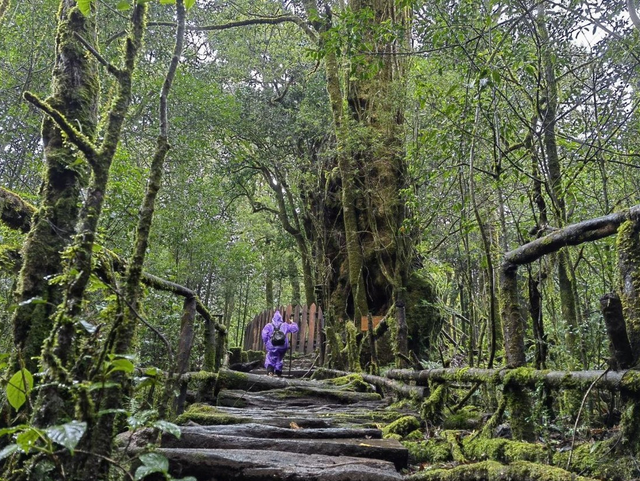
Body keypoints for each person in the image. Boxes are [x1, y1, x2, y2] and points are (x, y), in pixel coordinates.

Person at [261, 310, 299, 377]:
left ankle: (270, 372)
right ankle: (278, 371)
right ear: (281, 318)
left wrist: (267, 343)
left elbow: (264, 335)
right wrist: (293, 322)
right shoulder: (285, 325)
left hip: (272, 346)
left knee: (270, 358)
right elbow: (295, 329)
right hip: (283, 346)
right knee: (279, 358)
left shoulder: (269, 326)